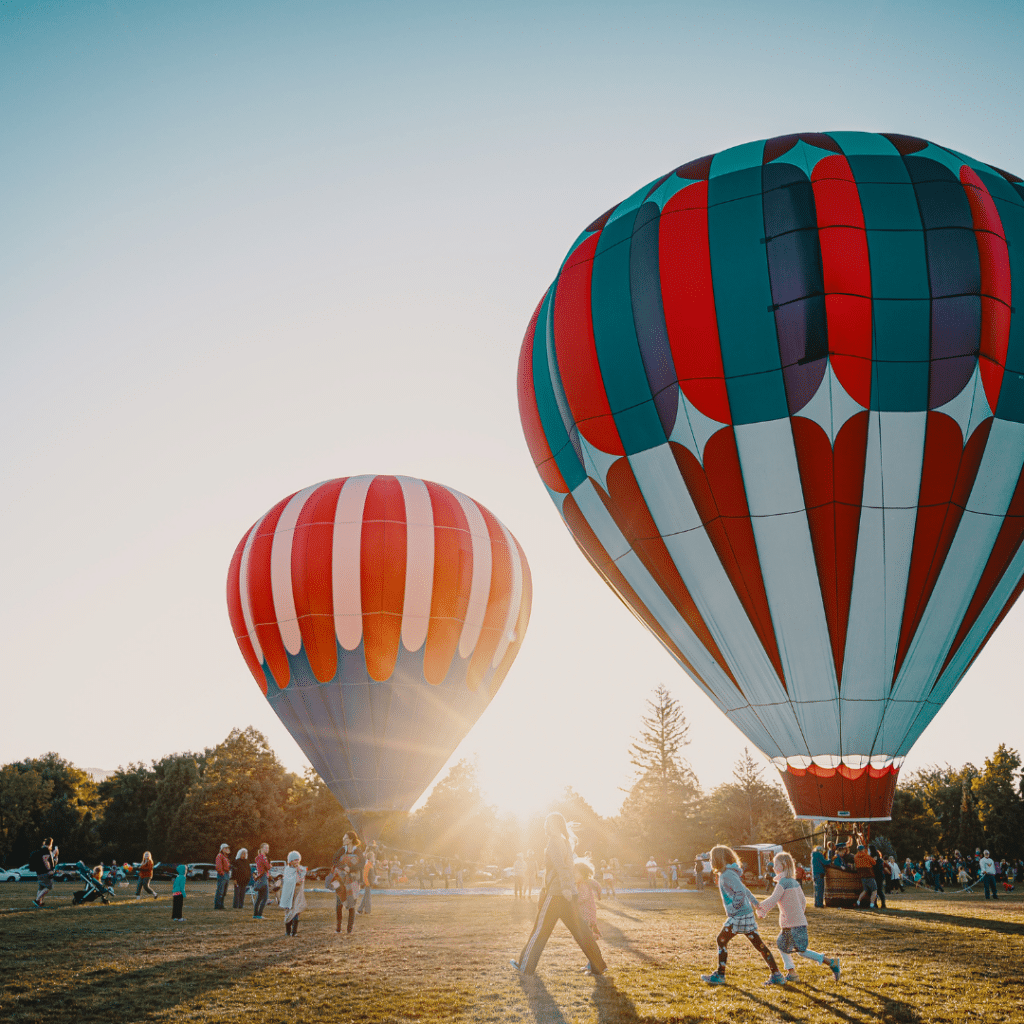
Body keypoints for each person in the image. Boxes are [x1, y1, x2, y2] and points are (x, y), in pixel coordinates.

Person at [511, 812, 608, 977]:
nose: (545, 826)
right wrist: (571, 889)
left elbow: (562, 867)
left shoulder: (554, 843)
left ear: (555, 825)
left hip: (557, 894)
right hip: (569, 894)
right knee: (581, 931)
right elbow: (568, 867)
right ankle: (598, 966)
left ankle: (525, 967)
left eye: (548, 823)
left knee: (540, 930)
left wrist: (564, 888)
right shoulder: (565, 842)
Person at [701, 845, 785, 987]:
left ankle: (720, 975)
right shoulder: (730, 872)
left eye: (711, 859)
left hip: (739, 915)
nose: (710, 861)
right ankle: (777, 974)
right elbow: (744, 889)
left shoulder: (727, 874)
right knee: (759, 945)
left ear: (717, 860)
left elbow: (740, 891)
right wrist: (755, 903)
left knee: (721, 940)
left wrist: (734, 907)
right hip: (745, 914)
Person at [756, 852, 841, 983]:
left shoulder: (783, 883)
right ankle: (792, 973)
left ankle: (831, 962)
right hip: (794, 923)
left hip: (794, 924)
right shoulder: (794, 882)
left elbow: (773, 899)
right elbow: (803, 901)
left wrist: (760, 910)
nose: (773, 866)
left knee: (801, 950)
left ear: (783, 865)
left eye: (776, 864)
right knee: (782, 945)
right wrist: (798, 914)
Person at [280, 850, 307, 936]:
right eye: (294, 860)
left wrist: (298, 870)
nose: (296, 861)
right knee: (289, 912)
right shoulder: (288, 870)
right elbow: (289, 881)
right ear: (290, 861)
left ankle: (294, 932)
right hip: (289, 894)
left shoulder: (300, 869)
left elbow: (300, 880)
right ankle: (288, 931)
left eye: (297, 859)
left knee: (296, 911)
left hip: (297, 894)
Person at [574, 858, 602, 941]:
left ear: (583, 874)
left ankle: (591, 937)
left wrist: (574, 901)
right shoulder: (580, 883)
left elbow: (584, 896)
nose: (573, 875)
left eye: (575, 873)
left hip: (587, 910)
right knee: (584, 927)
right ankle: (591, 935)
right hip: (584, 910)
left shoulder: (584, 884)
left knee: (585, 927)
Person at [30, 837, 58, 908]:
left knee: (41, 887)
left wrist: (54, 855)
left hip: (39, 872)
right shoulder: (46, 850)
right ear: (50, 843)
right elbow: (45, 860)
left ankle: (40, 902)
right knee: (49, 887)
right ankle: (37, 900)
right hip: (45, 872)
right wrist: (49, 870)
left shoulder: (41, 850)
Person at [252, 843, 271, 919]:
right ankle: (259, 914)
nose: (267, 849)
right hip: (263, 877)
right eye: (266, 848)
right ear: (262, 849)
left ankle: (255, 914)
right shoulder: (263, 857)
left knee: (259, 897)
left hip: (260, 877)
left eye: (268, 848)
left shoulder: (258, 857)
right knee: (265, 898)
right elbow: (268, 867)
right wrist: (269, 866)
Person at [358, 851, 376, 915]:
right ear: (370, 857)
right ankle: (367, 911)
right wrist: (367, 883)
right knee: (368, 898)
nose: (374, 858)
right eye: (373, 856)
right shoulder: (367, 865)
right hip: (367, 884)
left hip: (369, 884)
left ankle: (359, 910)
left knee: (366, 897)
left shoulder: (371, 865)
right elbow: (365, 876)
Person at [214, 843, 231, 909]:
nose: (227, 849)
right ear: (222, 849)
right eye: (226, 848)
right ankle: (218, 905)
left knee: (224, 891)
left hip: (226, 874)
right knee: (220, 890)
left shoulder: (225, 856)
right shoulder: (220, 855)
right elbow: (218, 865)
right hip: (223, 874)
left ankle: (221, 905)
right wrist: (221, 872)